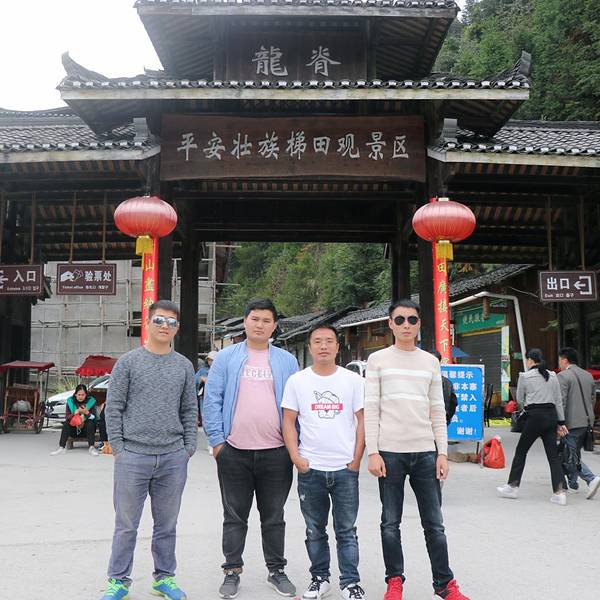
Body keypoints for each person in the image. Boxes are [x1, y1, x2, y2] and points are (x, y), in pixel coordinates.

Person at [365, 299, 469, 600]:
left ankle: (444, 584)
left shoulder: (429, 362)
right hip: (389, 453)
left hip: (425, 452)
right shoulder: (378, 360)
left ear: (419, 324)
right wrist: (373, 452)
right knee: (390, 523)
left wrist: (442, 453)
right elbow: (371, 408)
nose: (406, 325)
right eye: (399, 320)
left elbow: (437, 409)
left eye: (412, 319)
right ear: (390, 324)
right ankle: (394, 581)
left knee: (434, 524)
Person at [100, 300, 198, 600]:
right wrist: (119, 448)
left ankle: (164, 578)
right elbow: (113, 408)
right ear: (148, 322)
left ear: (177, 328)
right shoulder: (128, 362)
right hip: (133, 456)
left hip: (173, 456)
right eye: (159, 320)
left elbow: (189, 409)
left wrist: (188, 448)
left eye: (171, 322)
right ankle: (118, 581)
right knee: (126, 525)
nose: (165, 326)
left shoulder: (184, 366)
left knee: (167, 524)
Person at [203, 298, 299, 599]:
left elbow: (296, 406)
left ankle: (276, 570)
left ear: (274, 326)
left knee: (274, 515)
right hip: (234, 451)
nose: (260, 325)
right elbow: (212, 399)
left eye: (266, 320)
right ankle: (232, 570)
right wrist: (217, 442)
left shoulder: (287, 361)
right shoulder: (226, 358)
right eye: (255, 319)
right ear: (245, 321)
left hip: (276, 452)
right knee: (234, 515)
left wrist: (294, 446)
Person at [282, 324, 366, 600]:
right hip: (311, 469)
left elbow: (363, 420)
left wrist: (356, 459)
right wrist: (296, 457)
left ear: (338, 347)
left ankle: (350, 583)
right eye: (317, 341)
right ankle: (320, 579)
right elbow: (288, 422)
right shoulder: (297, 381)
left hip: (345, 468)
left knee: (346, 530)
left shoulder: (353, 381)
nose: (323, 346)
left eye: (329, 341)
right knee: (314, 529)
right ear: (310, 347)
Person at [497, 348, 568, 505]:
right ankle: (559, 493)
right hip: (551, 417)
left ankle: (512, 486)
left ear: (530, 360)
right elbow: (558, 401)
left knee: (521, 451)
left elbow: (520, 399)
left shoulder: (525, 376)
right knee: (553, 456)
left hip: (534, 417)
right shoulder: (553, 376)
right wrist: (561, 423)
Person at [557, 347, 600, 499]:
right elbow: (593, 398)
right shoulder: (588, 375)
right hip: (587, 421)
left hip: (571, 422)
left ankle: (591, 478)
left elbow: (561, 401)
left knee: (570, 456)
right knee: (573, 452)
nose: (559, 363)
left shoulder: (563, 376)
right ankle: (573, 484)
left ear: (564, 360)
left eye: (560, 360)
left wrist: (559, 422)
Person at [50, 383, 99, 456]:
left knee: (90, 422)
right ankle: (61, 447)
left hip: (86, 431)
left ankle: (91, 447)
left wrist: (87, 413)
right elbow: (67, 417)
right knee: (66, 423)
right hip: (74, 431)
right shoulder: (70, 402)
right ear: (75, 394)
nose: (81, 397)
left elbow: (95, 418)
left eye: (83, 395)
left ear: (86, 395)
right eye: (79, 395)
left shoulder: (91, 401)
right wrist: (75, 414)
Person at [430, 350, 458, 425]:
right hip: (440, 421)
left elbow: (453, 403)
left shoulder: (447, 383)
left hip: (438, 422)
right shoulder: (448, 382)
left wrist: (446, 418)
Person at [196, 350, 218, 428]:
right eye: (209, 360)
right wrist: (200, 379)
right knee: (204, 413)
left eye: (212, 360)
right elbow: (194, 380)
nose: (210, 362)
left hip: (216, 396)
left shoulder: (220, 371)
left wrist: (209, 380)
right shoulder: (203, 370)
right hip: (204, 395)